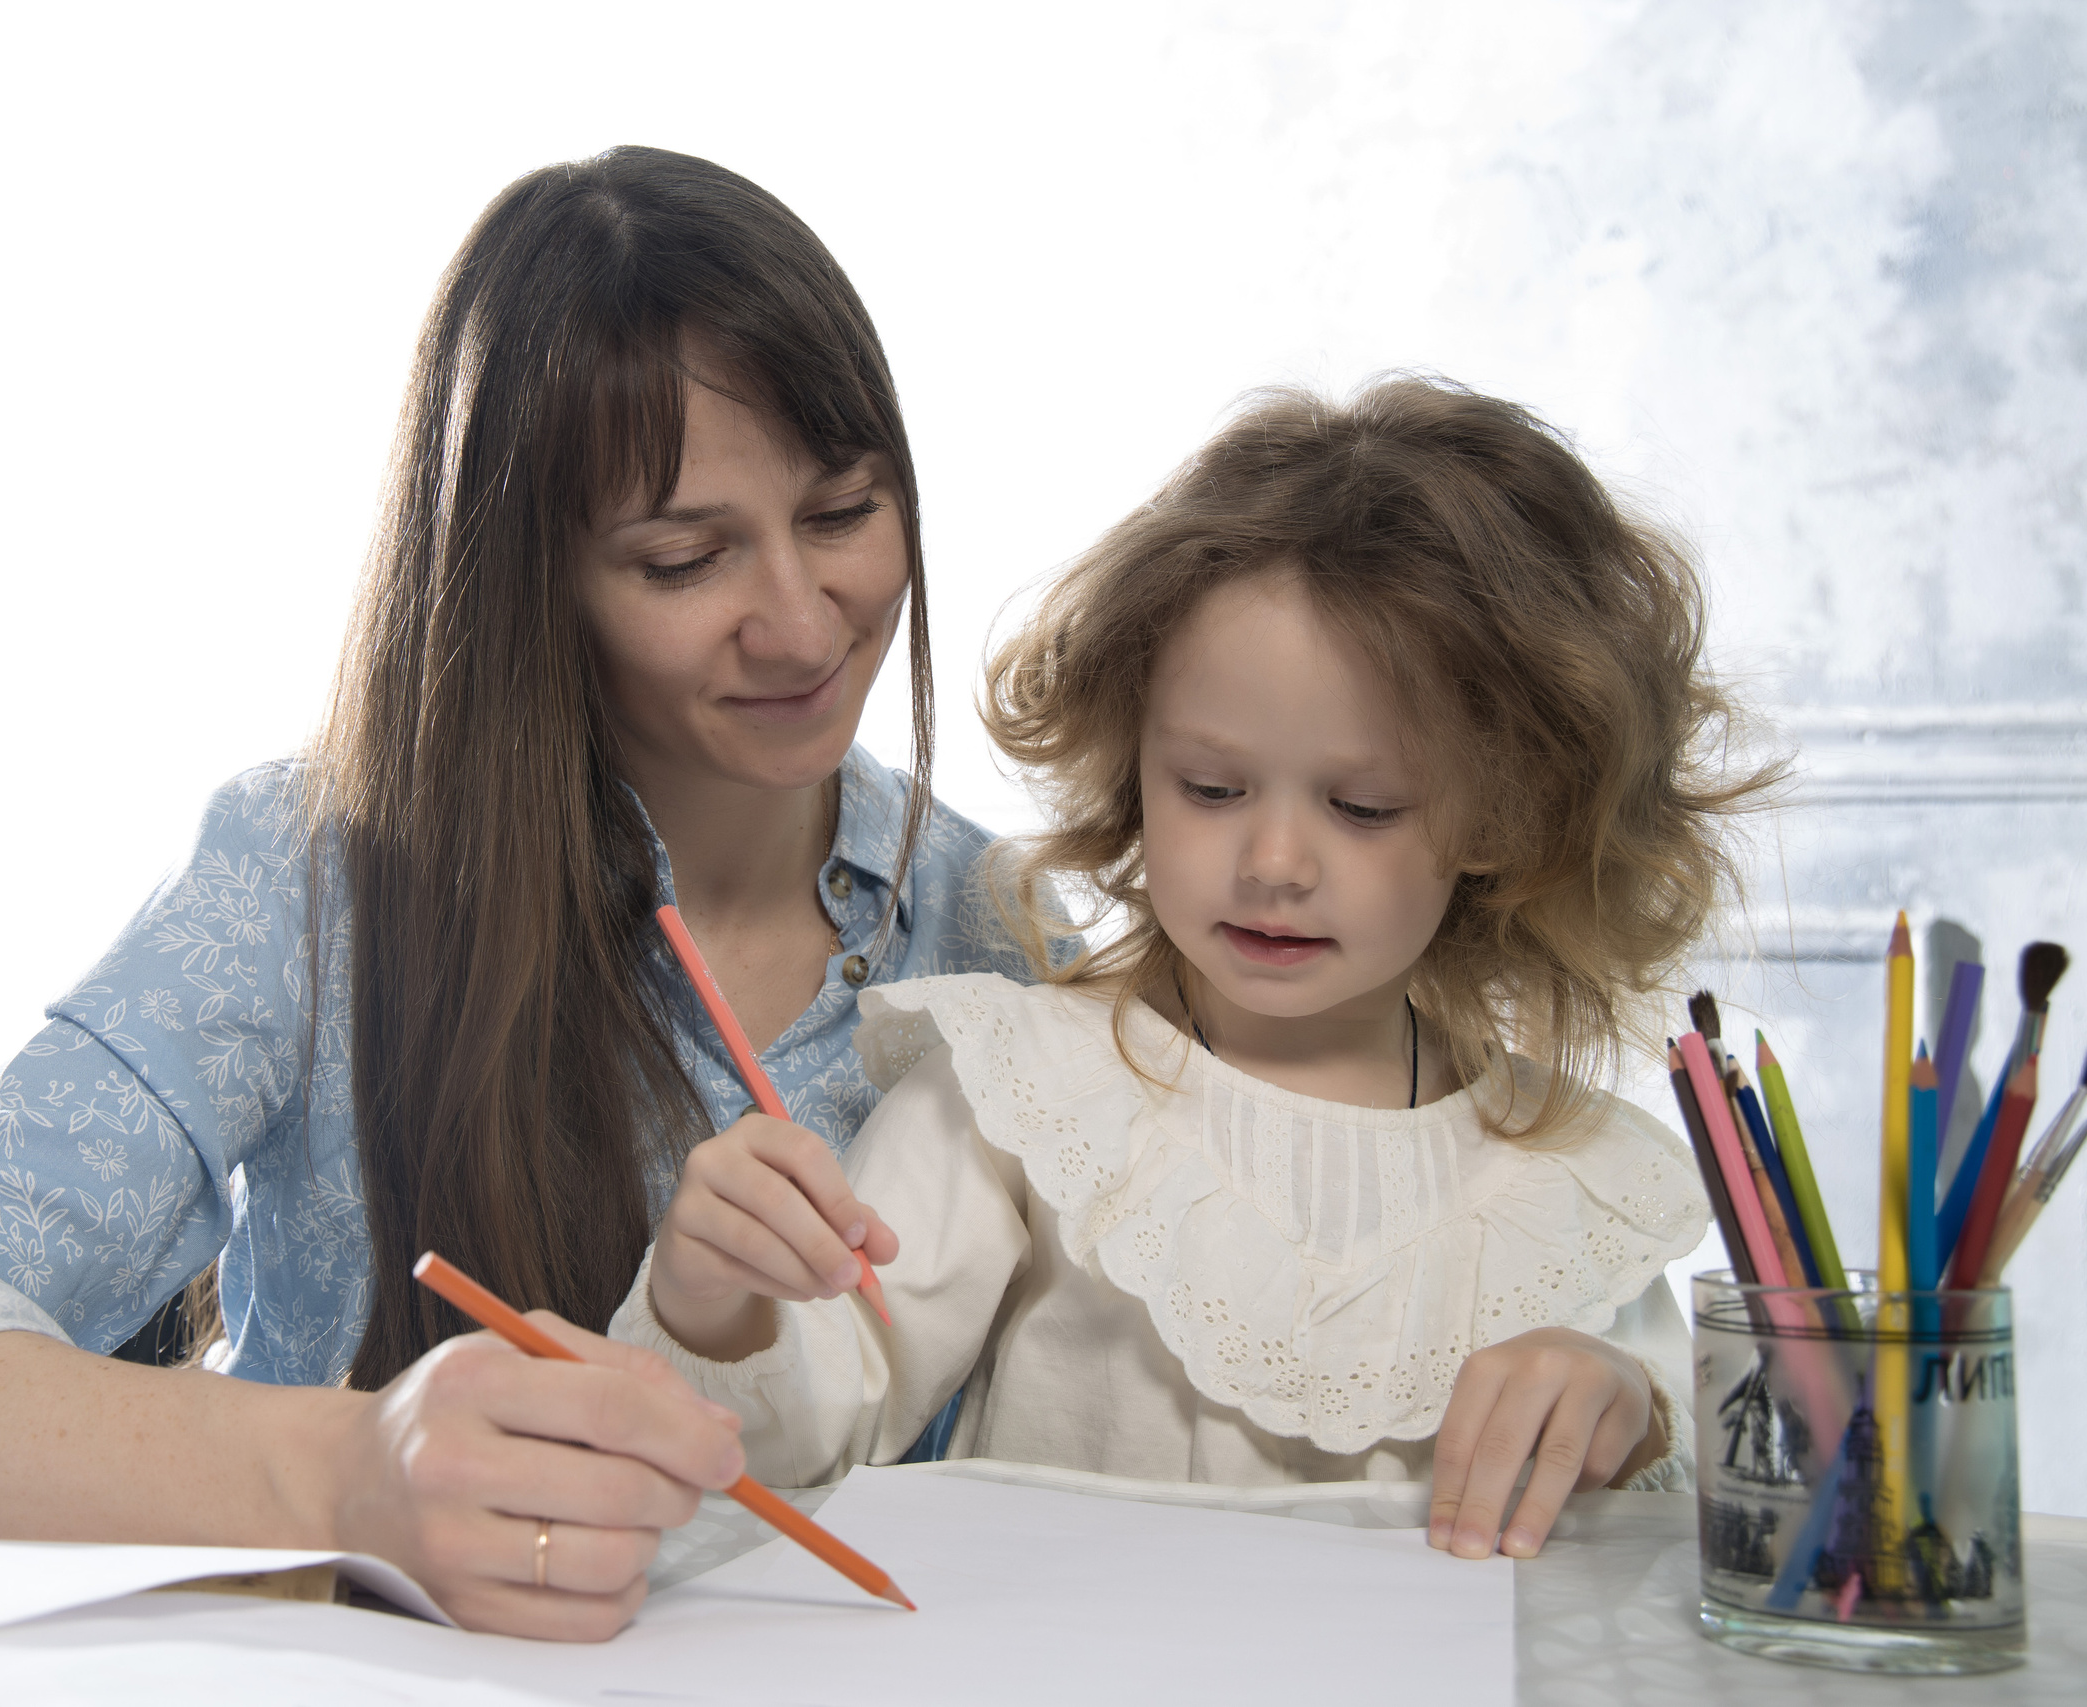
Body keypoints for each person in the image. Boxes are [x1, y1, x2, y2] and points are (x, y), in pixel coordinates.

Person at [0, 146, 1030, 1640]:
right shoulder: (312, 879)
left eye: (844, 512)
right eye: (682, 557)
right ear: (532, 584)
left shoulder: (1004, 926)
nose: (799, 619)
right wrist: (351, 1467)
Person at [615, 376, 1777, 1562]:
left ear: (1506, 817)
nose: (1273, 862)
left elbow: (1676, 1523)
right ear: (1132, 764)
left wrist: (1625, 1413)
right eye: (1209, 790)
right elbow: (804, 1429)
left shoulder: (1566, 1175)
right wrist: (715, 1301)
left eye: (1364, 806)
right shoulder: (1020, 1091)